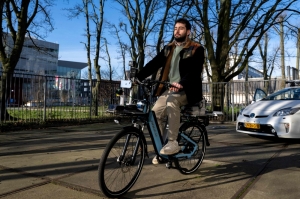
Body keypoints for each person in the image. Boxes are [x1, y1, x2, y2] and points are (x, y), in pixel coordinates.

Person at [136, 18, 205, 164]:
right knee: (154, 114)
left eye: (181, 28)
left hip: (188, 89)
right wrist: (138, 77)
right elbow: (153, 63)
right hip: (170, 89)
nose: (177, 31)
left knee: (172, 101)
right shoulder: (169, 48)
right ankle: (161, 147)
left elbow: (194, 71)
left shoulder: (196, 49)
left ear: (188, 32)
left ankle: (172, 142)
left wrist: (181, 83)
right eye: (175, 28)